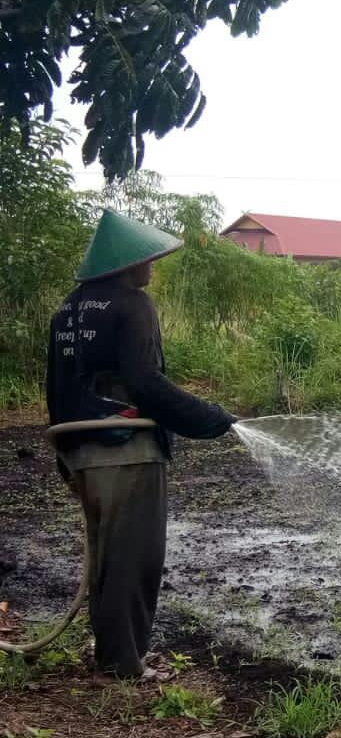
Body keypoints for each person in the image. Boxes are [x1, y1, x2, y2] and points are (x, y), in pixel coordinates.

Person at [45, 209, 237, 679]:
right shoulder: (133, 305)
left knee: (107, 557)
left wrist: (63, 455)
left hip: (81, 449)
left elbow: (57, 385)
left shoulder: (68, 309)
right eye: (147, 259)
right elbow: (145, 381)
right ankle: (124, 665)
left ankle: (112, 654)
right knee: (134, 558)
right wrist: (209, 418)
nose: (151, 267)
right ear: (127, 263)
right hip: (126, 449)